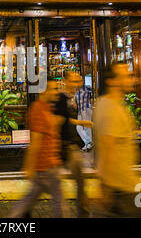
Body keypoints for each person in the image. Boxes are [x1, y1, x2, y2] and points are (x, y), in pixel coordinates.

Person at [92, 63, 141, 217]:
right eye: (126, 76)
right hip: (122, 188)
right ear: (112, 81)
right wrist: (105, 188)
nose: (131, 78)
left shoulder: (105, 103)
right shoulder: (112, 109)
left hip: (126, 184)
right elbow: (108, 148)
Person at [9, 80, 65, 218]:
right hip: (46, 166)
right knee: (60, 203)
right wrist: (28, 166)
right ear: (43, 91)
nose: (56, 92)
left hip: (48, 165)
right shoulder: (38, 110)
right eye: (53, 89)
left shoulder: (47, 108)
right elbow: (35, 142)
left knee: (30, 199)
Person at [53, 71, 93, 217]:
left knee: (78, 181)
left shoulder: (70, 97)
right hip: (64, 146)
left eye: (79, 81)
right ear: (66, 81)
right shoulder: (61, 98)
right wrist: (82, 122)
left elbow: (65, 119)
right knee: (56, 184)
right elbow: (59, 121)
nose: (77, 84)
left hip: (69, 145)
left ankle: (81, 212)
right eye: (75, 81)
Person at [75, 84, 93, 151]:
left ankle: (88, 144)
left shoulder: (85, 88)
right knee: (78, 128)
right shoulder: (76, 92)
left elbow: (91, 89)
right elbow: (76, 103)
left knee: (86, 127)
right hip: (80, 111)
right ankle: (88, 142)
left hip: (86, 108)